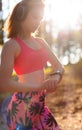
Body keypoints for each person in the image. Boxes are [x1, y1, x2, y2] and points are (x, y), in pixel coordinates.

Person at [0, 0, 64, 130]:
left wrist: (55, 78)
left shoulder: (41, 42)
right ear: (21, 14)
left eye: (40, 19)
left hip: (40, 107)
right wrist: (39, 86)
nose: (38, 22)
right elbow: (4, 83)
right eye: (35, 17)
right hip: (21, 110)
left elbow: (59, 67)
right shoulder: (11, 45)